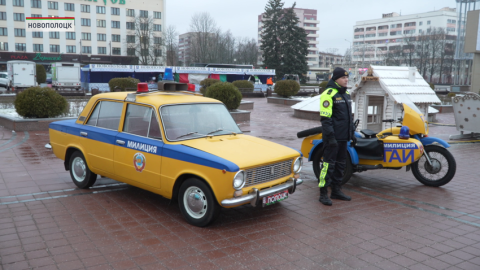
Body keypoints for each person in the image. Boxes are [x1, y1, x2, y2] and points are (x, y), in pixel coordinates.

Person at [318, 67, 356, 206]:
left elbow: (349, 118)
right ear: (336, 79)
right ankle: (323, 193)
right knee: (328, 166)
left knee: (341, 165)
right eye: (343, 78)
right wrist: (331, 138)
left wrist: (352, 133)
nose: (346, 80)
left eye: (347, 78)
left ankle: (336, 190)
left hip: (343, 138)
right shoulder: (328, 94)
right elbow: (325, 120)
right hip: (332, 139)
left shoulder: (345, 94)